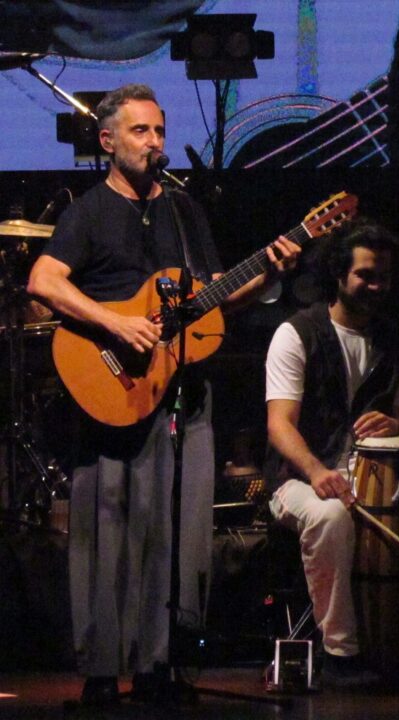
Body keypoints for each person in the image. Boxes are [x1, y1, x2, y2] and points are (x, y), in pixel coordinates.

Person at [26, 84, 300, 706]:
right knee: (109, 526)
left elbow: (211, 299)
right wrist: (114, 322)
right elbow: (43, 280)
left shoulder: (183, 214)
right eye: (141, 132)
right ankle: (101, 669)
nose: (155, 143)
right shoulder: (89, 212)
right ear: (108, 141)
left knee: (174, 530)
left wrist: (266, 278)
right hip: (110, 386)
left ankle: (160, 663)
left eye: (159, 131)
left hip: (179, 389)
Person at [264, 218, 399, 688]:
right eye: (366, 275)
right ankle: (341, 654)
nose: (377, 285)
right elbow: (280, 425)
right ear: (339, 274)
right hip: (298, 480)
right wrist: (318, 471)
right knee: (330, 517)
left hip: (381, 481)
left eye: (384, 276)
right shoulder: (296, 334)